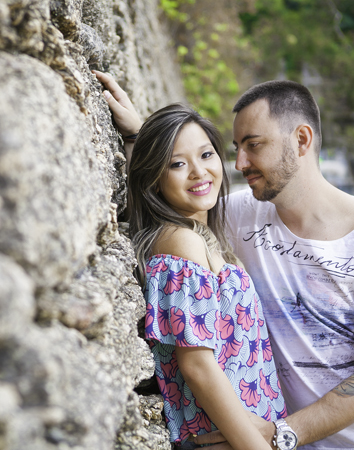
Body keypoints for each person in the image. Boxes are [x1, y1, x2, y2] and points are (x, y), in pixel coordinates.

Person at [95, 70, 354, 449]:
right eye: (235, 148)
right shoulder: (238, 215)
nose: (240, 162)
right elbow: (175, 193)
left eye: (254, 144)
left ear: (301, 139)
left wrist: (280, 435)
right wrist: (141, 138)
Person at [122, 99, 287, 449]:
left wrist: (139, 133)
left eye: (207, 155)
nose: (199, 172)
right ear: (154, 175)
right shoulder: (180, 242)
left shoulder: (205, 238)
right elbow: (197, 367)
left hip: (254, 431)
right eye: (178, 164)